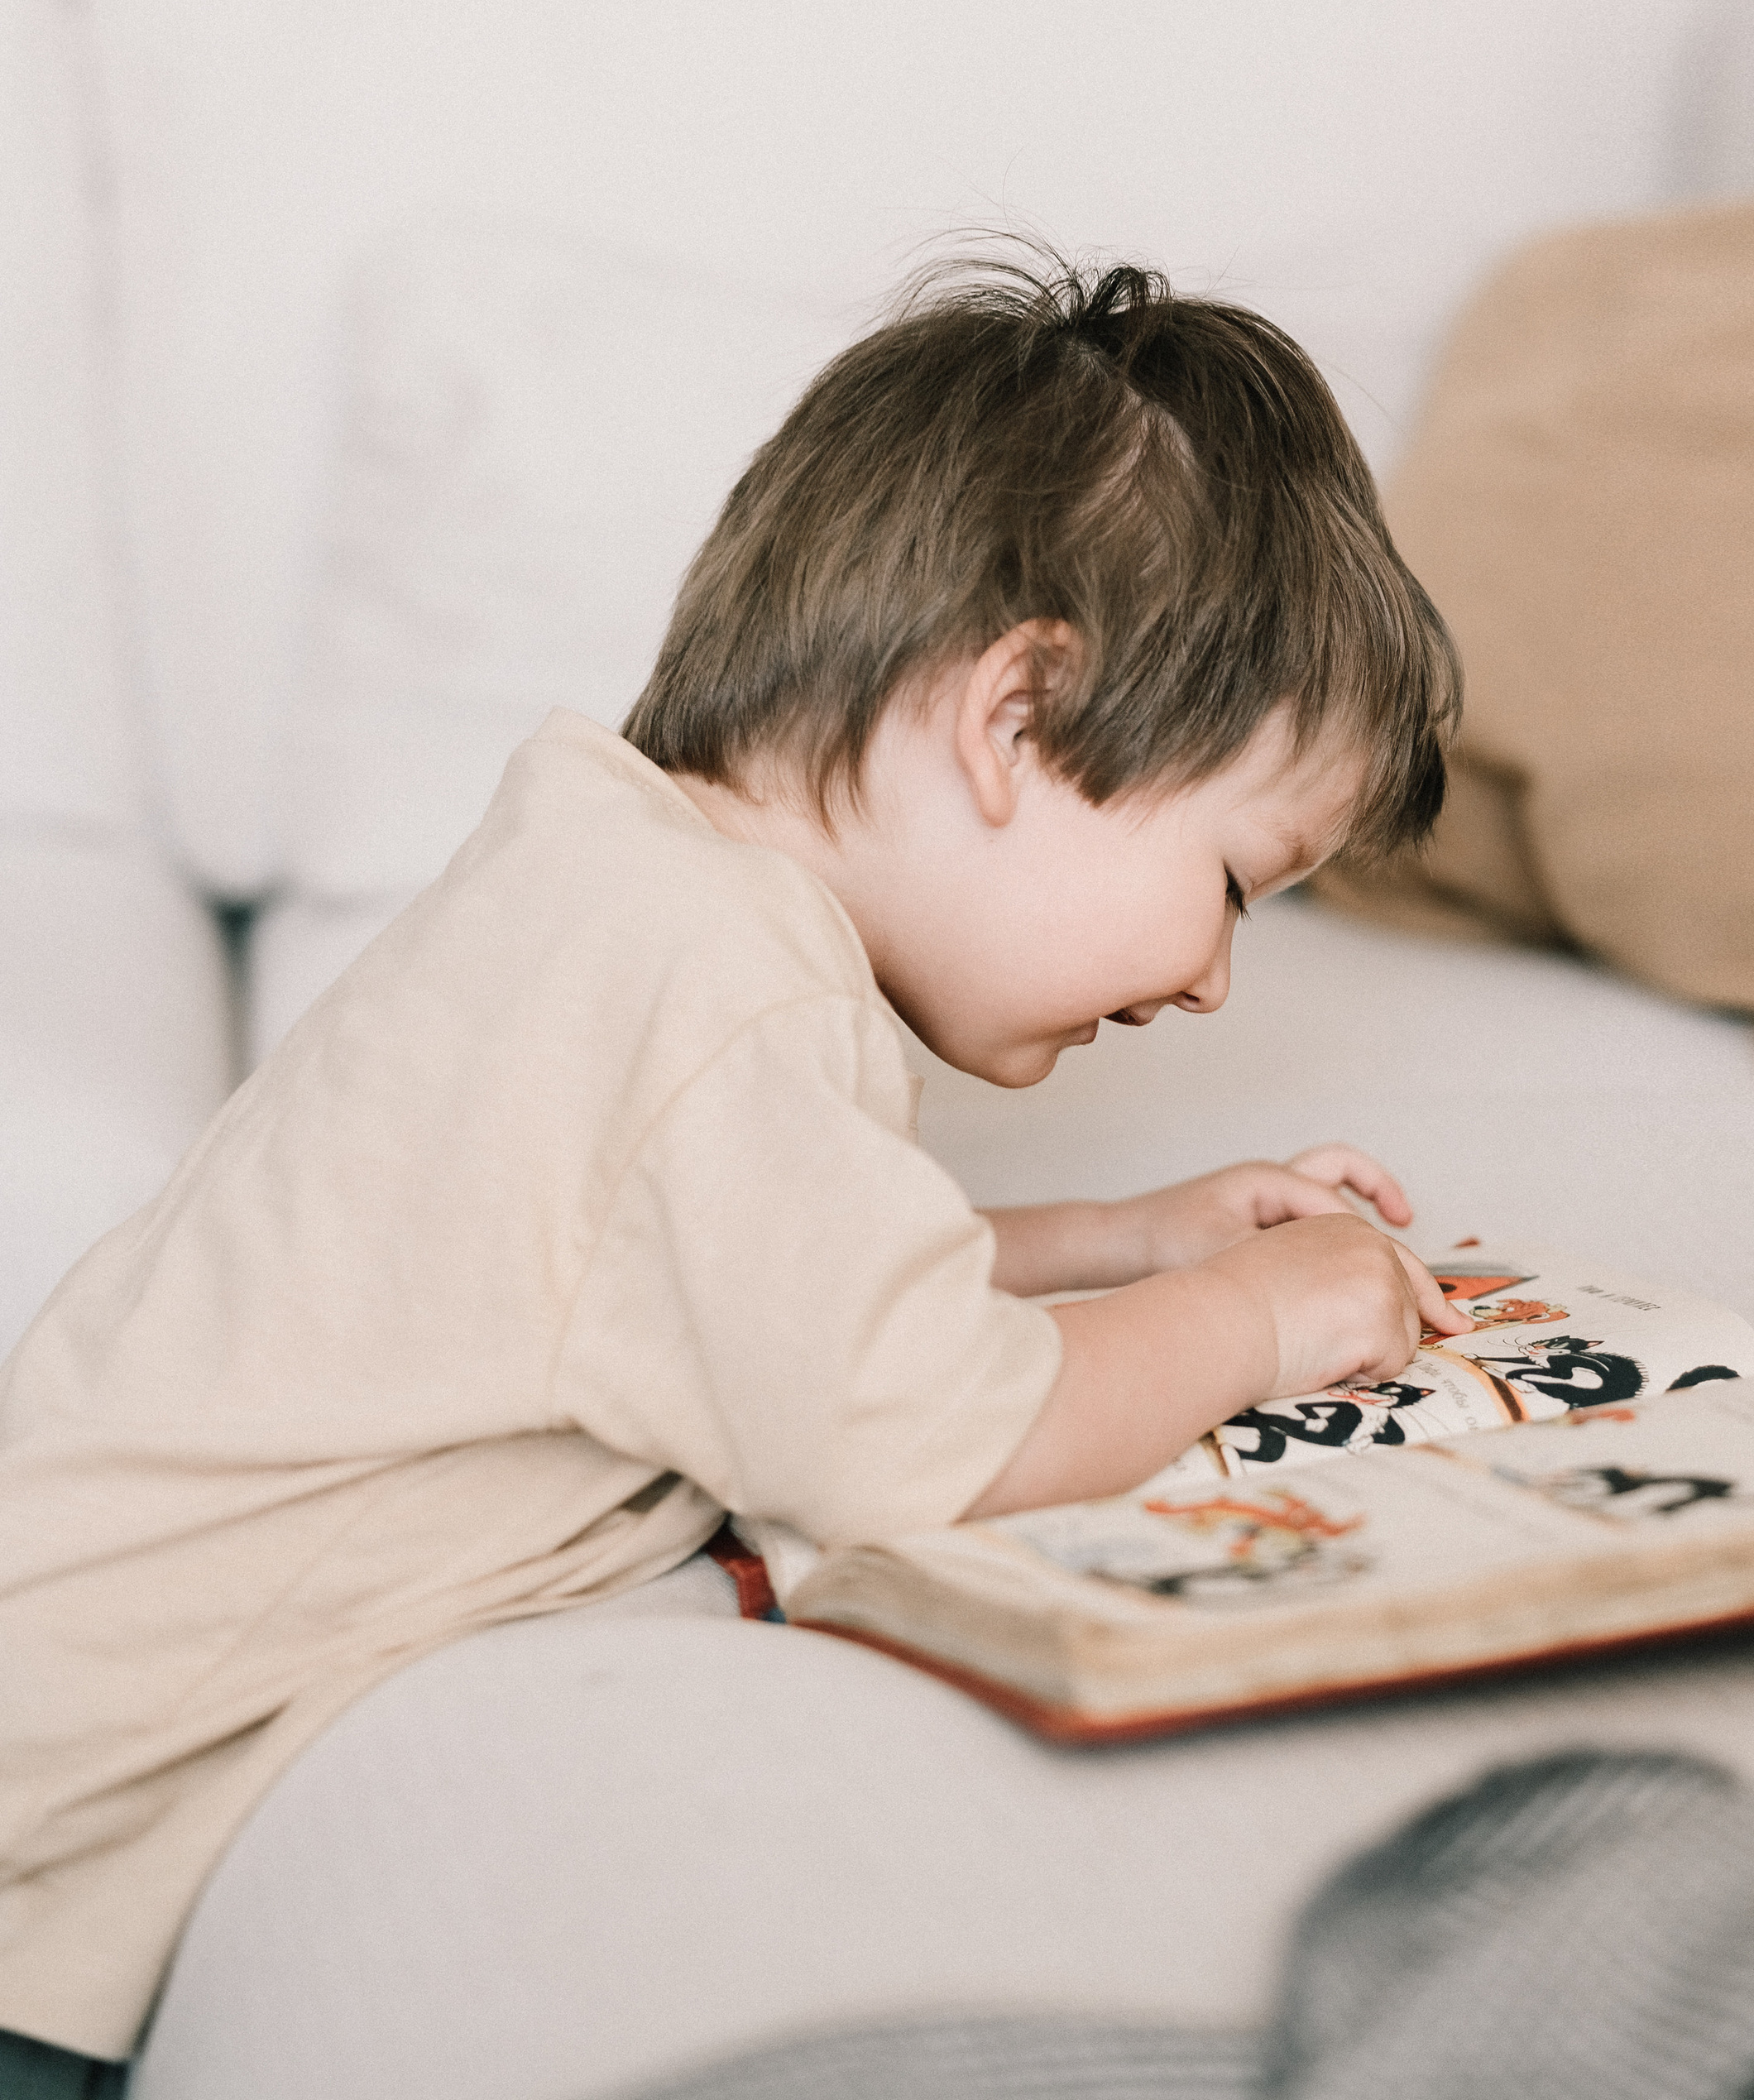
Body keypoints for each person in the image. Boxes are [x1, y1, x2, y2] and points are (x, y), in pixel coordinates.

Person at [0, 253, 1468, 2088]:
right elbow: (931, 1439)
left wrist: (1117, 1236)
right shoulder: (713, 987)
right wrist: (1241, 1315)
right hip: (48, 1832)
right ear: (1014, 718)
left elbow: (725, 1277)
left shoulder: (626, 892)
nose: (1210, 977)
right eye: (1235, 882)